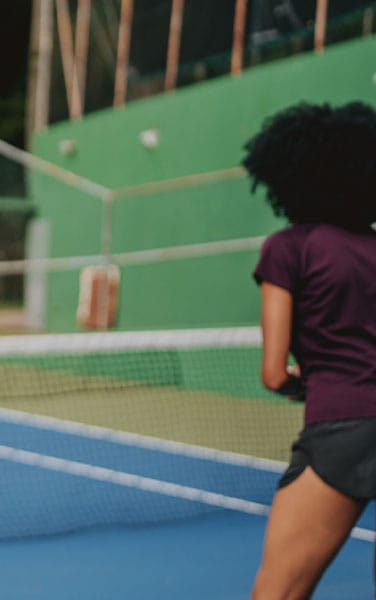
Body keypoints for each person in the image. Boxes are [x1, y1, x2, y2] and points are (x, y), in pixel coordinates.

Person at [246, 101, 376, 599]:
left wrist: (310, 380)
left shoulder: (288, 248)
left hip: (339, 430)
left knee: (276, 593)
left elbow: (274, 373)